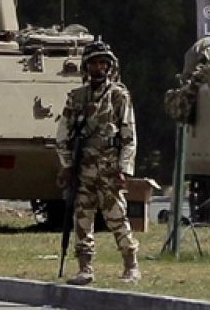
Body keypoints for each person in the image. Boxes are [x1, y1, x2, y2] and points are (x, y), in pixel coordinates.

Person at [56, 38, 140, 285]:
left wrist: (124, 169)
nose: (99, 68)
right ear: (86, 66)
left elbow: (129, 136)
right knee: (82, 219)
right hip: (83, 169)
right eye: (94, 63)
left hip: (109, 168)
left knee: (117, 217)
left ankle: (131, 265)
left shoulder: (118, 96)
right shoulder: (77, 98)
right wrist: (67, 165)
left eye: (103, 63)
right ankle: (85, 267)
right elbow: (63, 135)